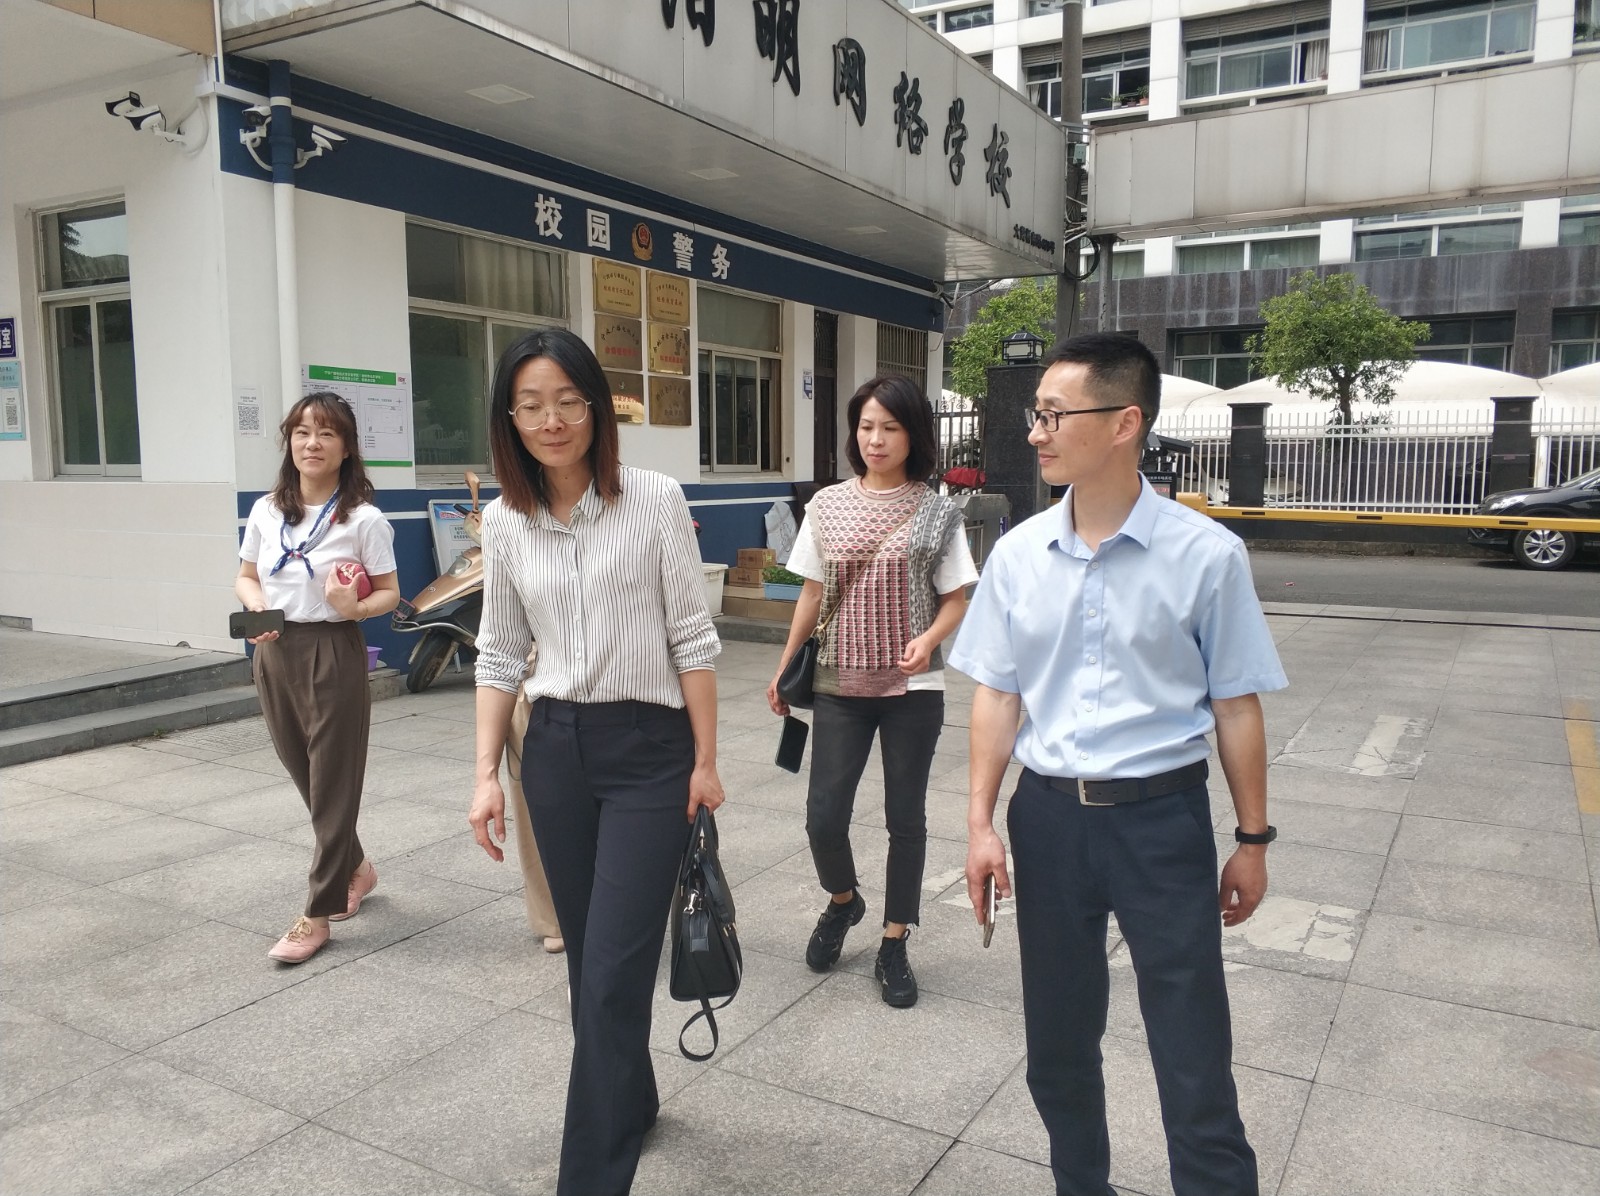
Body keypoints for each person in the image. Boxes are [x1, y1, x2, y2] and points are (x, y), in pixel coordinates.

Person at [948, 333, 1288, 1196]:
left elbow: (1236, 704)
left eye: (1054, 415)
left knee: (1192, 1051)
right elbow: (997, 695)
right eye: (1037, 415)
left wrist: (1252, 839)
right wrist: (981, 824)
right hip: (1050, 820)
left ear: (1125, 422)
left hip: (1161, 822)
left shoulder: (1206, 555)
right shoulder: (1019, 554)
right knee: (1058, 1048)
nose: (1036, 433)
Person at [466, 328, 722, 1196]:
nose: (552, 421)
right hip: (555, 752)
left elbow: (692, 636)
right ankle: (632, 1099)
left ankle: (589, 1176)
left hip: (650, 752)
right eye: (531, 406)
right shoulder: (506, 521)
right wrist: (483, 775)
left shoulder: (653, 499)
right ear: (510, 418)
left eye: (568, 401)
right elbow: (500, 651)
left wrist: (706, 760)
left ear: (596, 407)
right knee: (588, 960)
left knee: (613, 971)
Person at [766, 375, 977, 1007]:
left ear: (914, 434)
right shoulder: (827, 505)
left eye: (890, 427)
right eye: (865, 426)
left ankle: (894, 939)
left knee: (905, 818)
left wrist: (929, 638)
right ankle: (844, 901)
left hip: (914, 687)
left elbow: (956, 598)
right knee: (823, 816)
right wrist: (784, 667)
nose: (876, 439)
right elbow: (811, 592)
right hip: (840, 681)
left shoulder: (937, 511)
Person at [236, 392, 400, 964]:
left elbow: (390, 593)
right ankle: (357, 867)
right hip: (273, 649)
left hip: (332, 649)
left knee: (333, 781)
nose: (313, 443)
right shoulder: (266, 511)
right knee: (306, 775)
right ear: (289, 441)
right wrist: (257, 608)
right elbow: (246, 576)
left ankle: (317, 913)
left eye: (327, 433)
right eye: (302, 432)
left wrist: (354, 607)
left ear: (347, 447)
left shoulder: (364, 519)